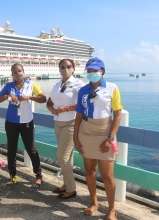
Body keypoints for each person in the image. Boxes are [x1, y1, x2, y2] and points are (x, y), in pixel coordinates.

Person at [73, 57, 122, 220]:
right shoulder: (83, 90)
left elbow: (117, 115)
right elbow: (79, 115)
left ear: (102, 71)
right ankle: (94, 203)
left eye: (95, 70)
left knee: (107, 175)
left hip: (104, 131)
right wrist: (75, 137)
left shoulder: (112, 88)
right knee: (89, 171)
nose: (92, 73)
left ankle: (112, 210)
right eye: (90, 71)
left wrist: (110, 137)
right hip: (86, 132)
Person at [0, 63, 46, 187]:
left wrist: (29, 97)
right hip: (11, 122)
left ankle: (38, 175)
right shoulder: (8, 86)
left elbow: (43, 98)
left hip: (27, 122)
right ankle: (12, 175)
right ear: (12, 74)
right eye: (14, 72)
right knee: (11, 149)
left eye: (19, 71)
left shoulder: (31, 85)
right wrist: (8, 95)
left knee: (31, 149)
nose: (18, 73)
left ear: (23, 71)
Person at [46, 59, 85, 199]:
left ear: (73, 68)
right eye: (62, 67)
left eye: (68, 67)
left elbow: (83, 103)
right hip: (58, 123)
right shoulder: (57, 85)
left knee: (61, 157)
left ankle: (71, 189)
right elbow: (49, 102)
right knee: (68, 157)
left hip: (71, 123)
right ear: (59, 69)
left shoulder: (79, 84)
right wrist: (52, 110)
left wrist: (67, 108)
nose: (65, 69)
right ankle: (66, 183)